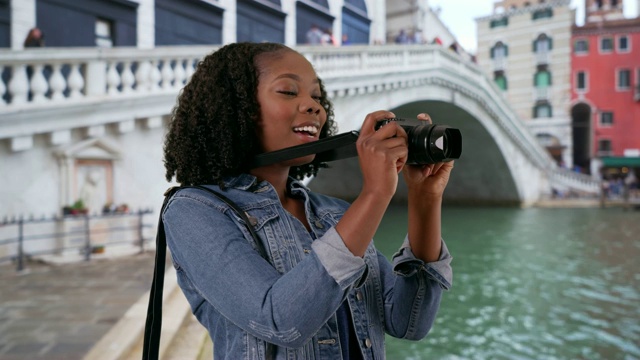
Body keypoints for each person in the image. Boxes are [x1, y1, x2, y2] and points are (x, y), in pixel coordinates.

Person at [162, 42, 454, 359]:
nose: (314, 106)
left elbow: (408, 322)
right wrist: (375, 193)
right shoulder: (194, 211)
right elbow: (281, 322)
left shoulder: (333, 213)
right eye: (289, 91)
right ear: (235, 107)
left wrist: (425, 198)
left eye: (316, 96)